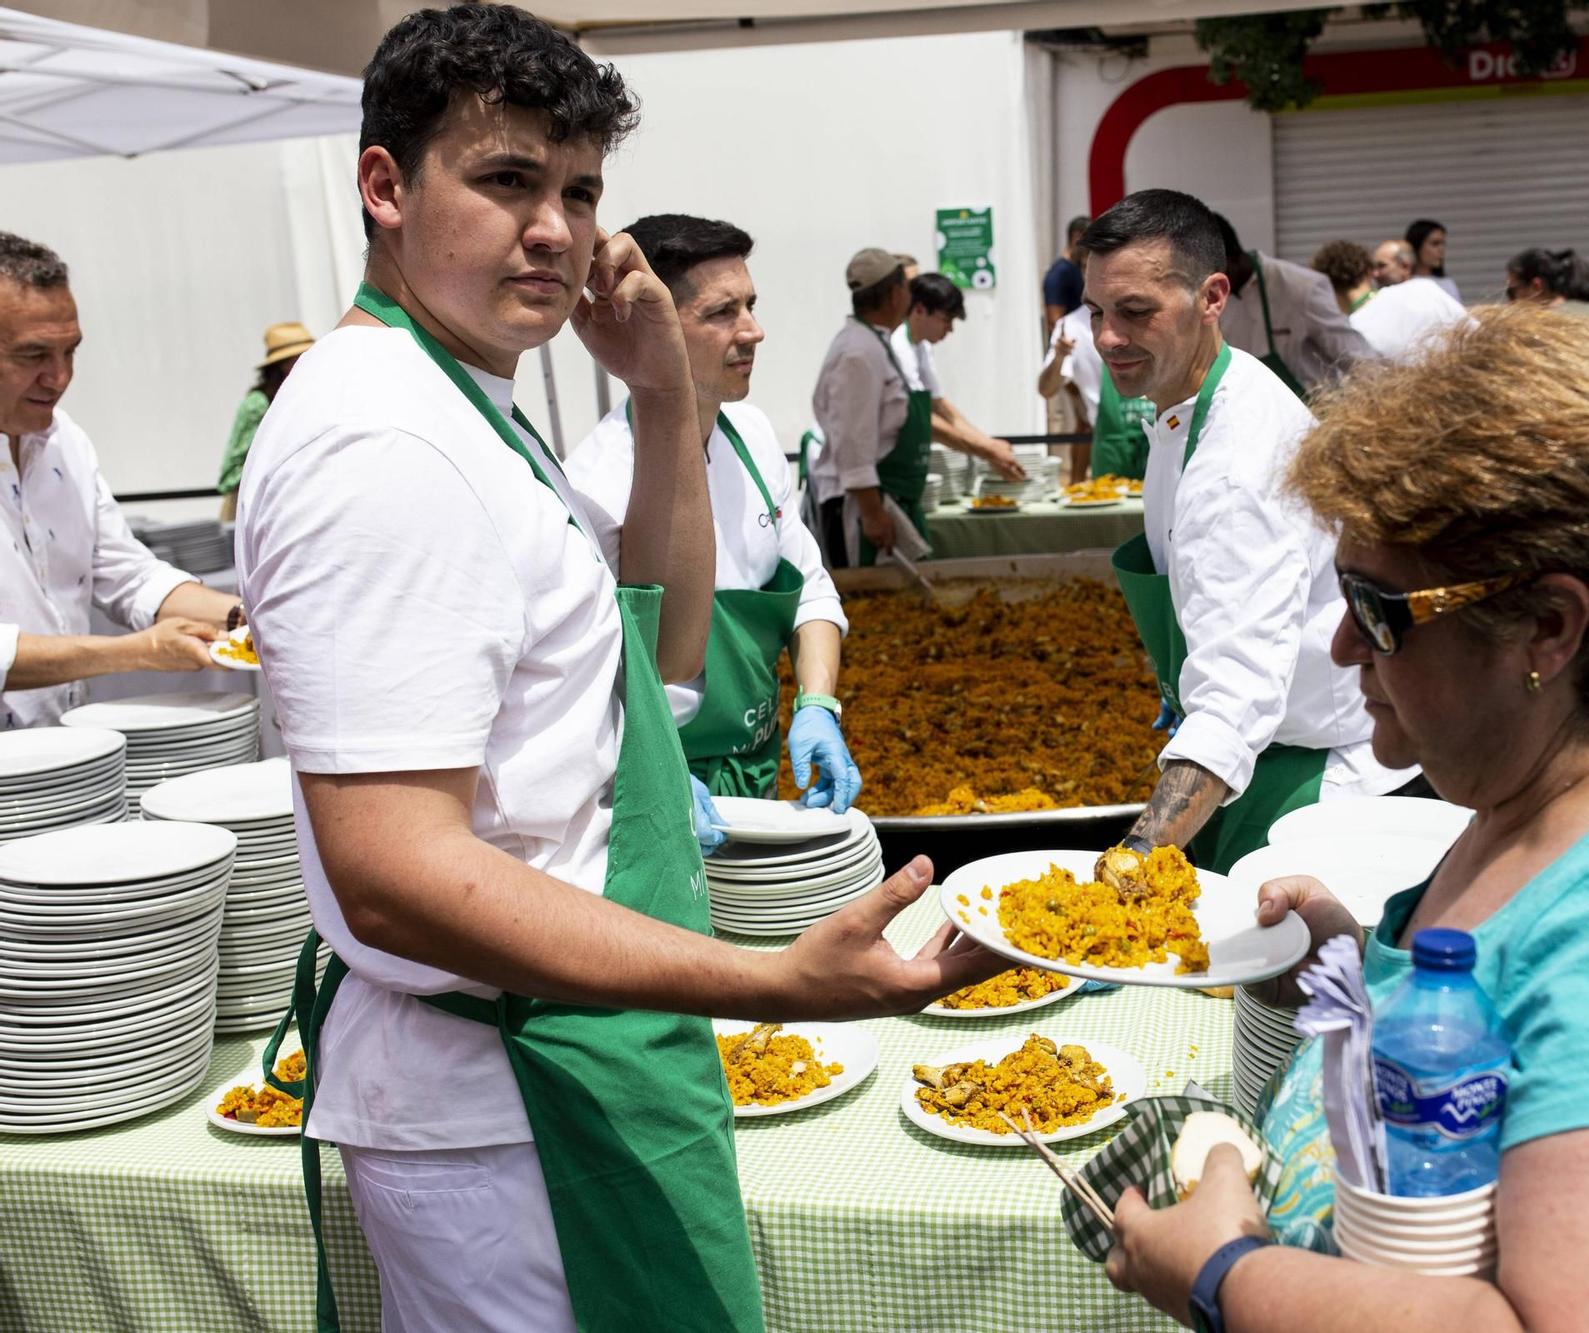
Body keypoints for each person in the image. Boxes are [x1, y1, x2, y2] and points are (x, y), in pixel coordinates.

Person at [233, 8, 999, 1330]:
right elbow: (393, 866)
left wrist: (661, 398)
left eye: (581, 191)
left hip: (581, 1056)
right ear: (383, 186)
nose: (558, 230)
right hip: (512, 1095)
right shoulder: (381, 441)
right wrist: (771, 984)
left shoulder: (464, 396)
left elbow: (672, 659)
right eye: (506, 180)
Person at [1104, 304, 1589, 1333]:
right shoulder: (1558, 779)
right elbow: (1523, 1009)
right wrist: (1369, 976)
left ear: (1547, 629)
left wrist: (1224, 1274)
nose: (1341, 647)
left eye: (1378, 608)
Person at [1082, 189, 1412, 877]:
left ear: (1211, 297)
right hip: (1259, 760)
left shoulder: (1237, 464)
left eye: (1136, 312)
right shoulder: (1192, 406)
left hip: (1304, 786)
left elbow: (1235, 699)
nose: (1108, 337)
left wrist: (1139, 851)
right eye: (1098, 312)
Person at [566, 214, 860, 851]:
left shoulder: (750, 436)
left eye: (751, 305)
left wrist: (817, 706)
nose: (753, 330)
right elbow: (580, 685)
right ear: (654, 324)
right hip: (650, 789)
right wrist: (648, 773)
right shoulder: (595, 487)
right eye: (722, 312)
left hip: (753, 769)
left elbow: (809, 588)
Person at [0, 231, 239, 730]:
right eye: (33, 355)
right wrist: (134, 651)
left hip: (64, 759)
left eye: (71, 352)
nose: (59, 377)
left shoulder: (66, 441)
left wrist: (245, 619)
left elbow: (127, 575)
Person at [808, 249, 924, 567]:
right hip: (857, 506)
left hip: (879, 495)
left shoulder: (874, 342)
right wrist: (873, 514)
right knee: (867, 604)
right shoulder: (858, 353)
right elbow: (852, 441)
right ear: (893, 295)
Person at [1215, 214, 1374, 399]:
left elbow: (1359, 359)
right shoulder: (1211, 302)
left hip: (1316, 415)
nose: (1207, 283)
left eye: (1215, 272)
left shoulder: (1300, 287)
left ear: (1233, 257)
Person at [893, 272, 1026, 482]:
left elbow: (940, 407)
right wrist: (987, 450)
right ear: (919, 310)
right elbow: (923, 419)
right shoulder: (898, 348)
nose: (950, 329)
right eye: (945, 320)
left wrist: (987, 443)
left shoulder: (921, 346)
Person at [1039, 293, 1156, 480]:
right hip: (1110, 449)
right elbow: (1046, 389)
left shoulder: (1152, 314)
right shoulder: (1071, 327)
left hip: (1161, 441)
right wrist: (1060, 357)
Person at [1311, 238, 1466, 364]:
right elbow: (1476, 333)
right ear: (1367, 272)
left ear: (1328, 286)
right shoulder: (1424, 288)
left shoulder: (1353, 334)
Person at [218, 322, 314, 520]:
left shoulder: (309, 397)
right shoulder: (258, 404)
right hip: (254, 509)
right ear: (280, 366)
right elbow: (229, 475)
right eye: (297, 358)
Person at [1042, 214, 1089, 332]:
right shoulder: (1060, 272)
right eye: (1090, 240)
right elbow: (1055, 321)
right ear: (1077, 237)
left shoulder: (1076, 267)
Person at [1405, 218, 1461, 302]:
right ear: (1416, 246)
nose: (1441, 249)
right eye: (1435, 244)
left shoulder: (1447, 284)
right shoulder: (1402, 284)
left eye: (1443, 244)